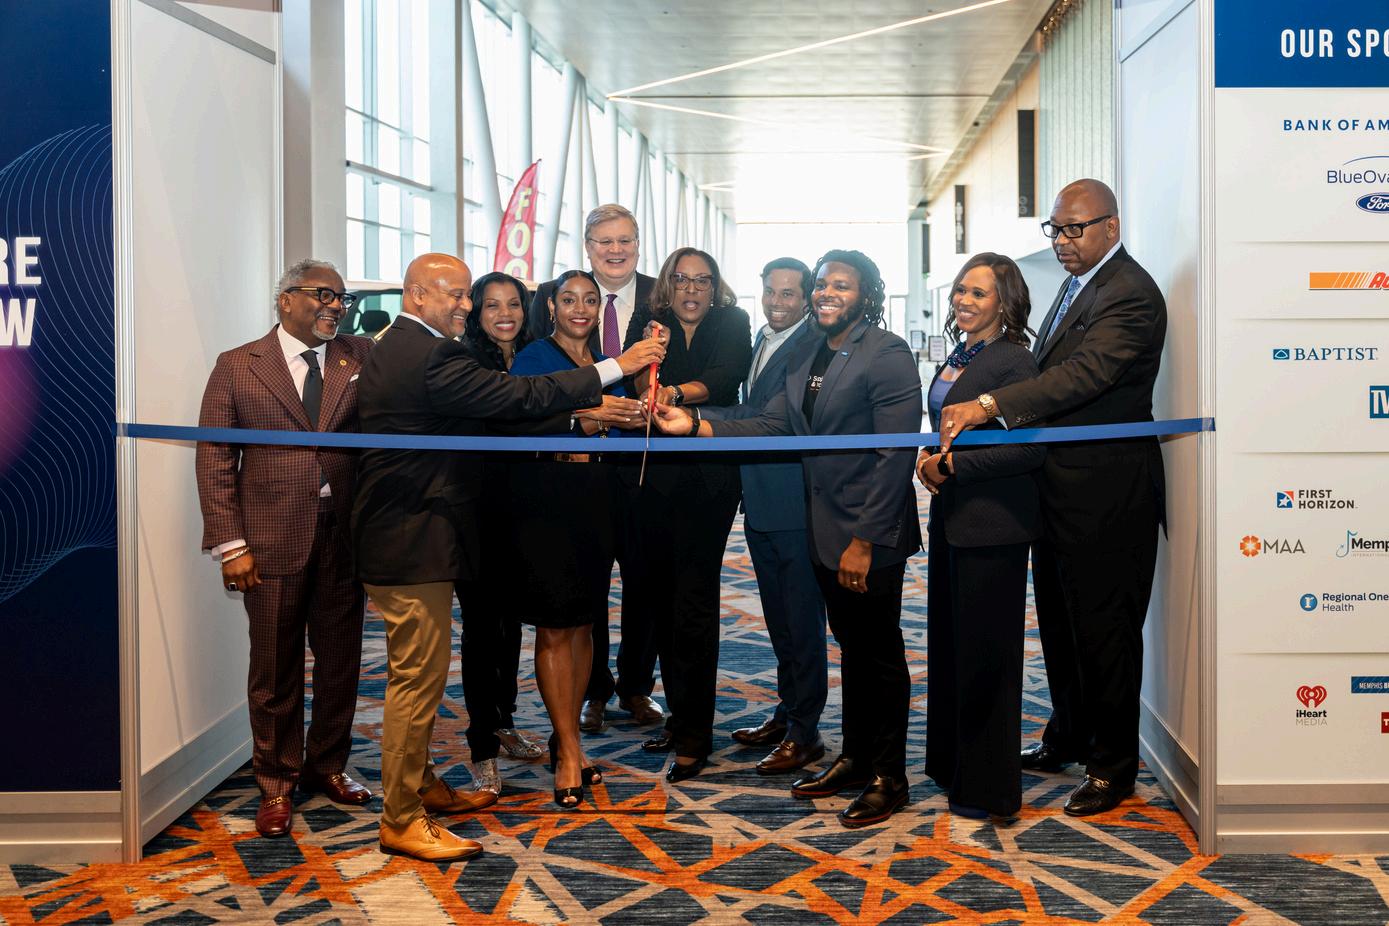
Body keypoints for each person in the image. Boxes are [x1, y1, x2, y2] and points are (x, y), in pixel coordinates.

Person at [352, 253, 665, 861]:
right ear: (416, 296)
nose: (466, 305)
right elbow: (519, 396)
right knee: (416, 681)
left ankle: (419, 784)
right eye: (455, 294)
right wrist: (616, 367)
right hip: (414, 537)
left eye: (465, 293)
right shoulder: (431, 354)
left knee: (419, 675)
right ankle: (401, 818)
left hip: (411, 530)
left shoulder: (396, 347)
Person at [653, 250, 922, 827]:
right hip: (824, 528)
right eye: (822, 283)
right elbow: (775, 421)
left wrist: (865, 540)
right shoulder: (814, 355)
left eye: (841, 285)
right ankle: (855, 757)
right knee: (853, 651)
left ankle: (889, 777)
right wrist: (696, 425)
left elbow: (895, 456)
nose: (826, 293)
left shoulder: (887, 352)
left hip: (866, 534)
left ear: (867, 294)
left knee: (879, 656)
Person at [939, 179, 1167, 817]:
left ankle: (1112, 768)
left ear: (1111, 227)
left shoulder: (1130, 292)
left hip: (1109, 494)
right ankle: (1068, 735)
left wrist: (990, 403)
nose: (1062, 241)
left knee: (1105, 632)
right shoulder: (1078, 286)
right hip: (1059, 493)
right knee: (1064, 629)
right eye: (1056, 229)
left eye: (1075, 229)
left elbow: (1085, 375)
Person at [195, 259, 373, 839]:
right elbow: (215, 459)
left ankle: (329, 765)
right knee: (274, 667)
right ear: (285, 299)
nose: (335, 306)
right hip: (269, 541)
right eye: (323, 294)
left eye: (341, 298)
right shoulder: (238, 365)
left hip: (344, 536)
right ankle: (276, 782)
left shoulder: (359, 357)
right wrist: (231, 545)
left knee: (342, 661)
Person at [506, 269, 645, 807]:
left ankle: (571, 742)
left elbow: (618, 424)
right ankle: (566, 748)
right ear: (552, 307)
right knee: (555, 625)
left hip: (598, 498)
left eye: (589, 299)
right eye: (569, 299)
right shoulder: (535, 358)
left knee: (585, 622)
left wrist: (632, 414)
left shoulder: (610, 361)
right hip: (549, 500)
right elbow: (519, 420)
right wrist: (587, 418)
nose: (581, 308)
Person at [916, 253, 1044, 820]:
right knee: (953, 651)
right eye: (960, 290)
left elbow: (1030, 449)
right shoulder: (962, 352)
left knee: (987, 660)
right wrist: (930, 454)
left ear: (1004, 302)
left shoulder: (1015, 360)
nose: (964, 301)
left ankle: (990, 788)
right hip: (953, 519)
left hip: (993, 527)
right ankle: (954, 767)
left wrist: (952, 467)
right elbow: (947, 426)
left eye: (979, 293)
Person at [529, 204, 663, 732]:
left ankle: (637, 686)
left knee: (644, 582)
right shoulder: (553, 297)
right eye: (604, 241)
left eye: (624, 240)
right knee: (587, 584)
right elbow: (533, 390)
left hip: (644, 469)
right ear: (588, 246)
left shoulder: (662, 295)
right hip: (573, 479)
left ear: (637, 244)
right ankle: (595, 690)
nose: (615, 250)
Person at [630, 247, 752, 782]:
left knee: (693, 604)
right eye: (682, 279)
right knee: (661, 602)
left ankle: (696, 735)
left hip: (708, 479)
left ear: (714, 286)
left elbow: (723, 380)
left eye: (703, 280)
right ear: (668, 283)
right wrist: (649, 368)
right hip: (653, 478)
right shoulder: (647, 320)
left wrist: (673, 393)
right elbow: (637, 382)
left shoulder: (733, 321)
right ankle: (679, 719)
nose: (692, 289)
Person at [729, 257, 830, 776]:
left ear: (807, 297)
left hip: (794, 502)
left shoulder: (812, 345)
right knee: (778, 620)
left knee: (802, 622)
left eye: (789, 294)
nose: (777, 302)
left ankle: (805, 731)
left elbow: (769, 418)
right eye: (771, 291)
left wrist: (699, 420)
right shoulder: (763, 337)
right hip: (762, 500)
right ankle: (788, 712)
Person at [453, 271, 543, 795]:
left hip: (526, 513)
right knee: (481, 632)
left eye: (514, 304)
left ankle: (504, 720)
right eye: (492, 305)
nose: (505, 314)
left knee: (511, 627)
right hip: (476, 514)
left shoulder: (533, 357)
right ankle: (481, 744)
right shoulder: (465, 361)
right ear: (476, 312)